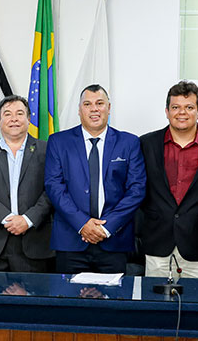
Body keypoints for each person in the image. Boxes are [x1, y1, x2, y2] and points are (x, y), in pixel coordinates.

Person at [44, 84, 146, 274]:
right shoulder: (58, 142)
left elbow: (137, 189)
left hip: (114, 240)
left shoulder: (129, 143)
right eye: (87, 104)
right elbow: (54, 187)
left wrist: (106, 228)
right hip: (70, 241)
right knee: (69, 301)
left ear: (109, 107)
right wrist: (83, 224)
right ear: (79, 110)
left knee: (112, 302)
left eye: (100, 103)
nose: (94, 109)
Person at [139, 81, 198, 278]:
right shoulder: (145, 144)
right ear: (167, 111)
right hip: (157, 245)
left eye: (189, 107)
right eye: (176, 107)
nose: (182, 112)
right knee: (155, 307)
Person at [0, 95, 53, 272]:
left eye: (19, 113)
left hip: (35, 242)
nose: (14, 119)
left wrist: (27, 219)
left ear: (29, 119)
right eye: (7, 114)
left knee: (34, 299)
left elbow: (52, 190)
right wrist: (7, 219)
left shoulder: (47, 150)